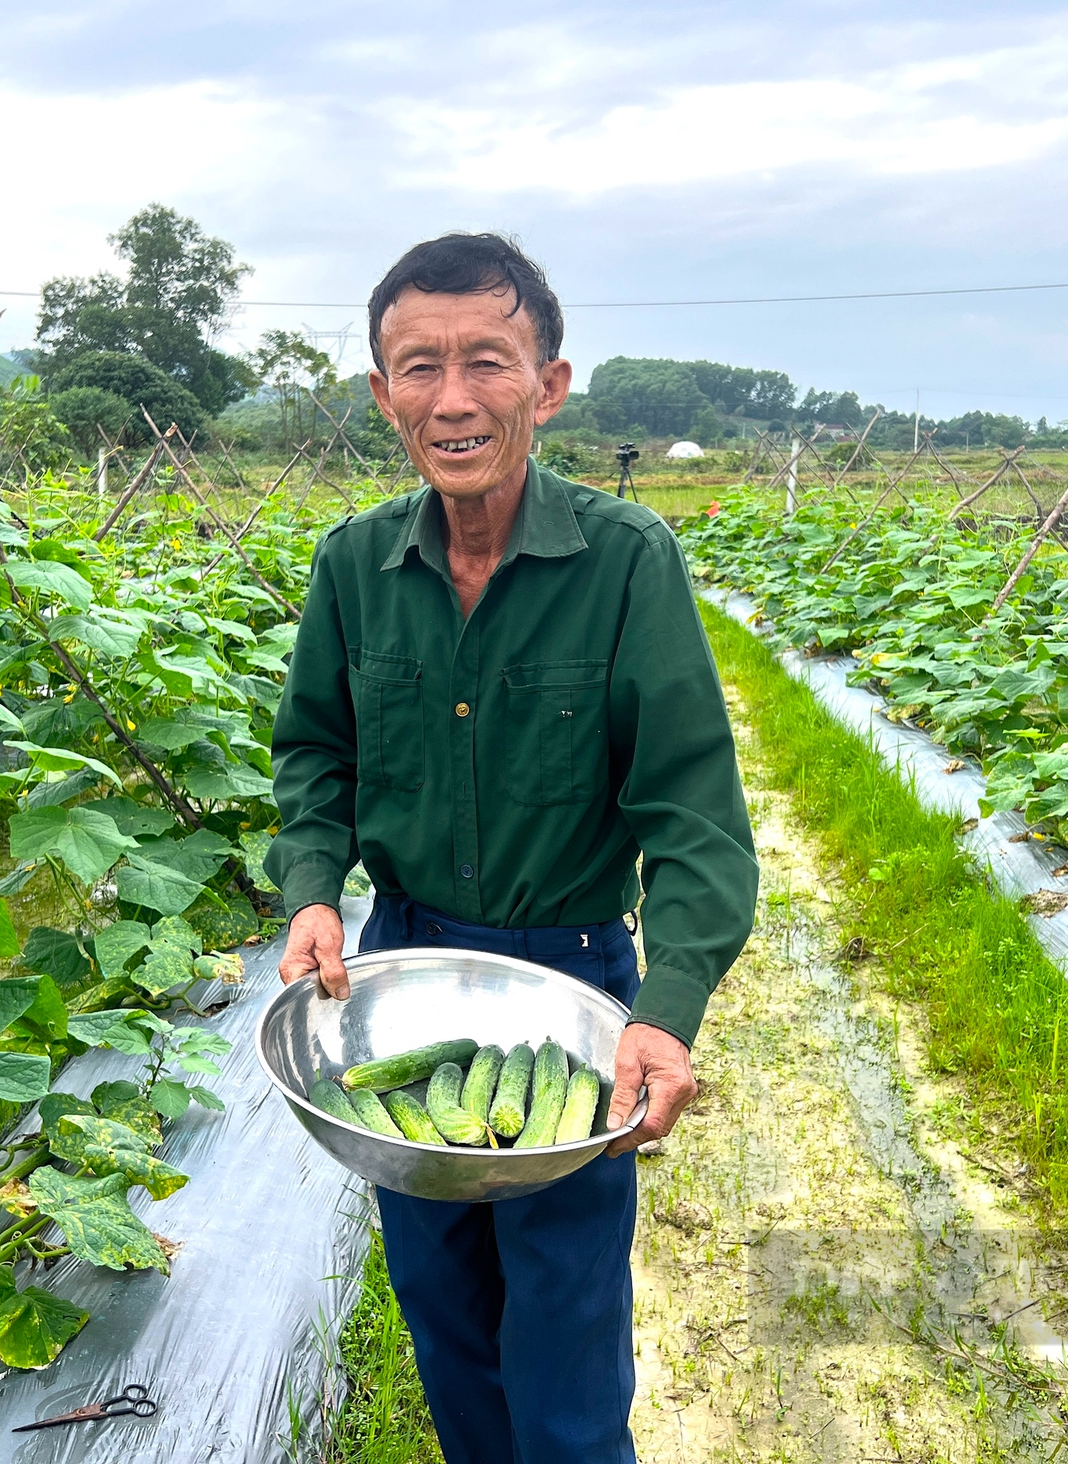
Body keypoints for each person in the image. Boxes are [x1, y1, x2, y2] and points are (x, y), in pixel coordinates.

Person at [265, 232, 758, 1463]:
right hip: (402, 964)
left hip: (572, 971)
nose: (452, 397)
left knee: (564, 1310)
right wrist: (314, 891)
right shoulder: (353, 565)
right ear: (381, 396)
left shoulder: (624, 560)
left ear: (547, 383)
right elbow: (312, 756)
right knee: (441, 1307)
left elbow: (692, 814)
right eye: (416, 367)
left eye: (486, 361)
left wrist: (672, 1006)